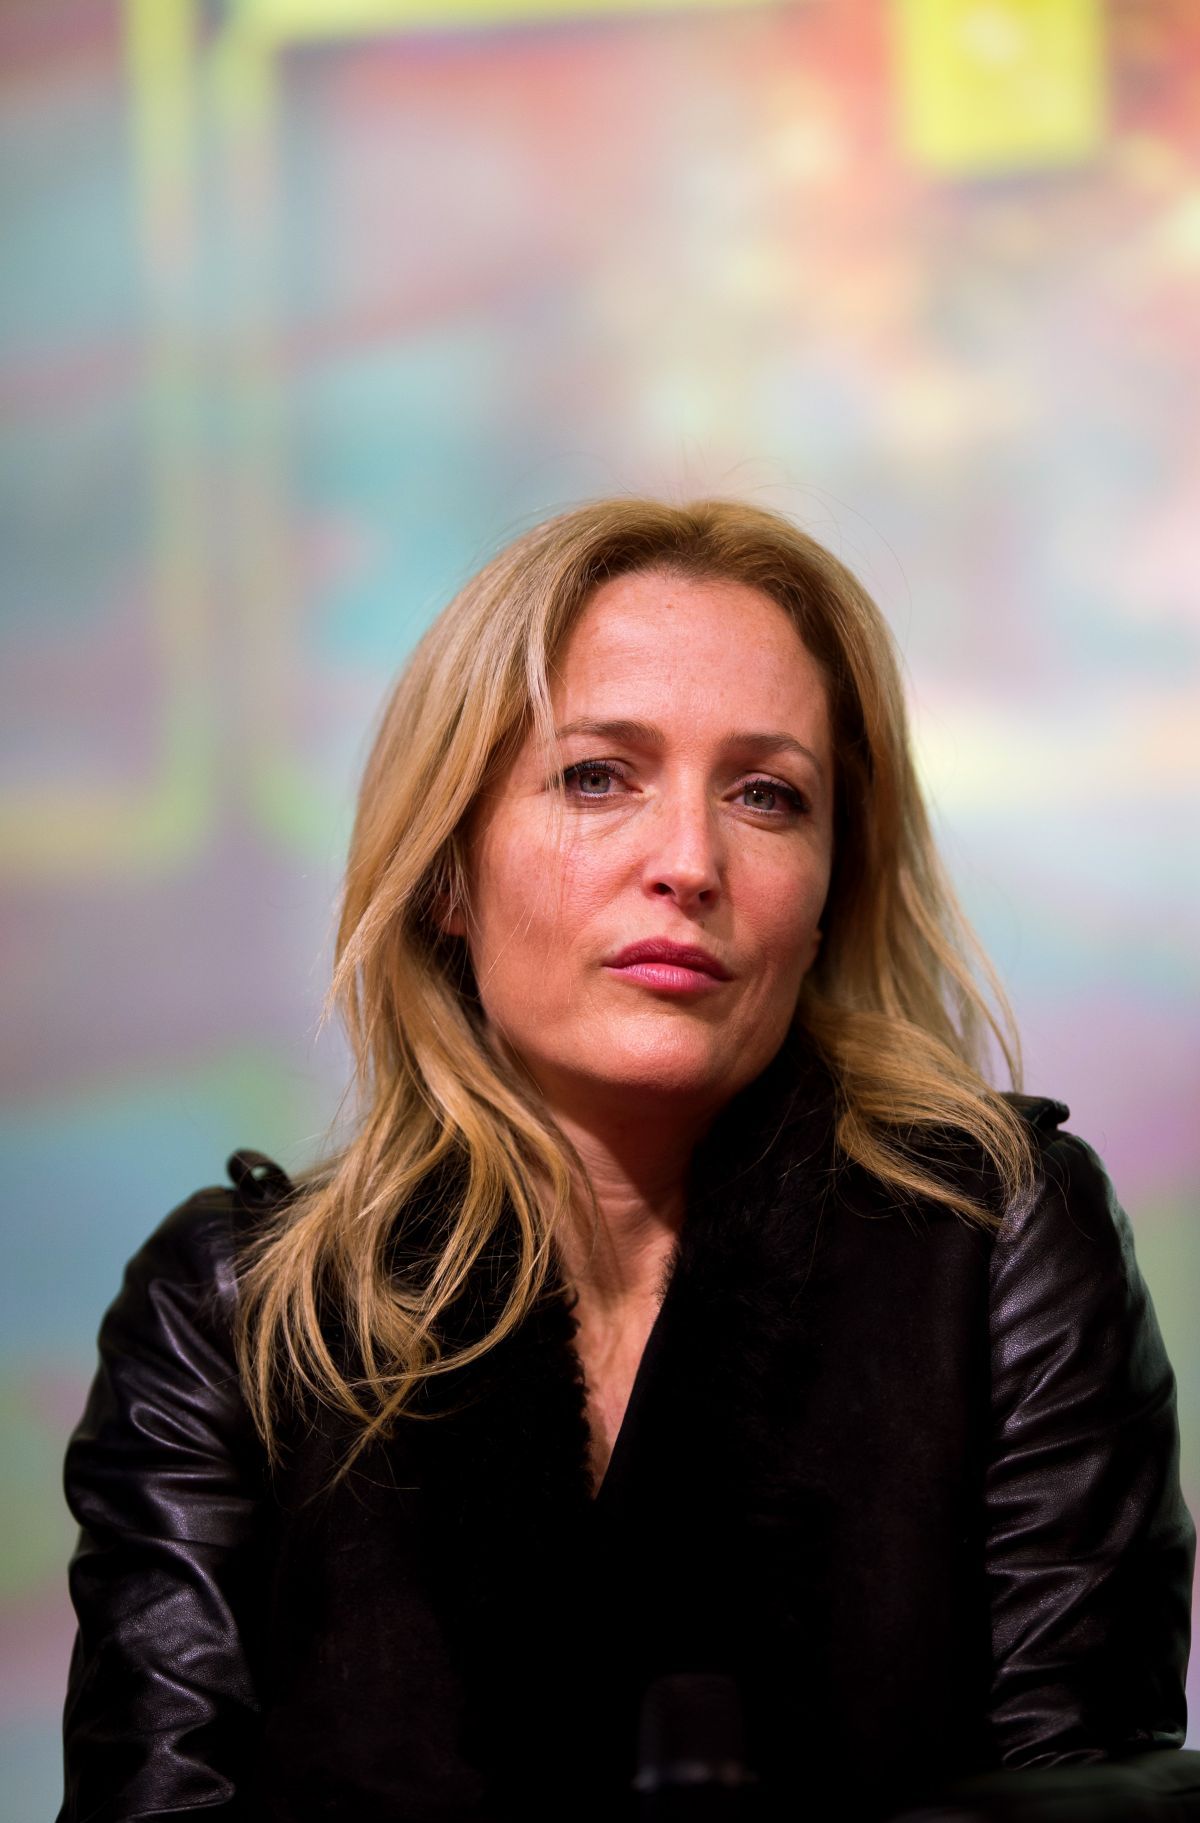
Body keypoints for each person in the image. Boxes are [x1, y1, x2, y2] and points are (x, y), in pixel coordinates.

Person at [58, 499, 1194, 1823]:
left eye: (768, 796)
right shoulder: (234, 1311)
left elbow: (1088, 1797)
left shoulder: (1001, 1247)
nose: (691, 863)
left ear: (829, 893)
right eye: (598, 777)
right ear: (447, 870)